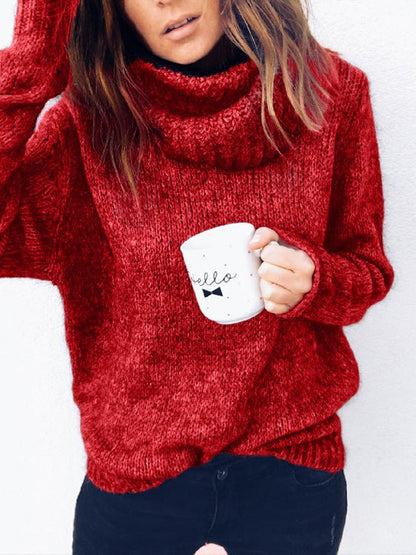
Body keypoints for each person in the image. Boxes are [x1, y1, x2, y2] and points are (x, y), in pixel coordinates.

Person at [0, 0, 395, 554]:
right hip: (137, 478)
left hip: (291, 470)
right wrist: (30, 66)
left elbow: (367, 273)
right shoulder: (87, 124)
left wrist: (317, 281)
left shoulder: (329, 93)